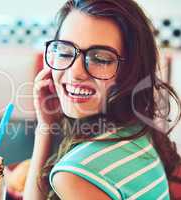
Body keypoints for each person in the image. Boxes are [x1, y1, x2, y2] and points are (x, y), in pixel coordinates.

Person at [23, 0, 181, 199]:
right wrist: (46, 125)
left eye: (101, 59)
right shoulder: (135, 130)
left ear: (131, 72)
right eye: (64, 51)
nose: (75, 73)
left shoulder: (75, 174)